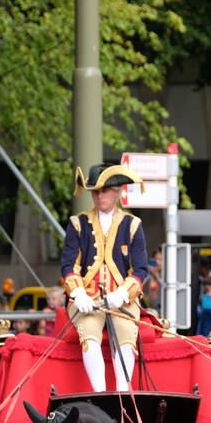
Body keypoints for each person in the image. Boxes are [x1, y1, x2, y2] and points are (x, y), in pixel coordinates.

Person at [61, 163, 148, 393]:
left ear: (117, 191)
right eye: (95, 191)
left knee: (126, 338)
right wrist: (78, 293)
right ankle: (100, 395)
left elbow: (139, 270)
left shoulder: (133, 225)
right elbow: (69, 265)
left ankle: (121, 393)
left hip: (123, 301)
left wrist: (121, 294)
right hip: (87, 301)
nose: (99, 196)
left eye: (105, 190)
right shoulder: (77, 224)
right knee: (89, 337)